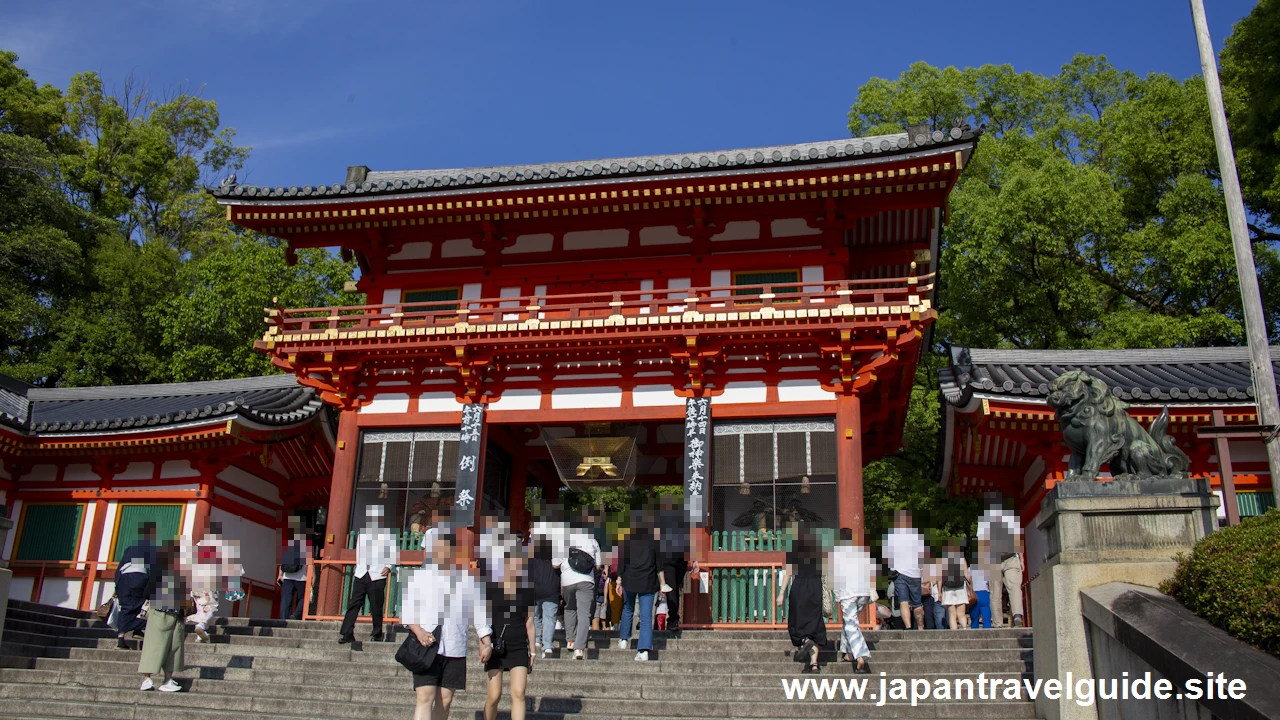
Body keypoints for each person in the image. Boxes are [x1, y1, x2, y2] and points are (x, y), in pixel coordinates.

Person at [402, 528, 494, 720]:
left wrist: (486, 642)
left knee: (445, 701)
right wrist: (418, 631)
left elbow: (478, 612)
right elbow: (408, 611)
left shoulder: (467, 579)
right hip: (426, 644)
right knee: (424, 697)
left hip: (454, 646)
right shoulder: (418, 577)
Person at [482, 534, 536, 720]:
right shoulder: (490, 588)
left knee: (519, 693)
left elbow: (530, 623)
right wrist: (484, 644)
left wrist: (533, 650)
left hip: (519, 645)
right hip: (496, 644)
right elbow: (482, 621)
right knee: (493, 695)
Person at [339, 505, 399, 644]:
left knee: (376, 605)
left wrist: (388, 567)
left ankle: (377, 633)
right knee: (354, 603)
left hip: (377, 573)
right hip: (361, 573)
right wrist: (359, 567)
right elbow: (359, 553)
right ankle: (347, 632)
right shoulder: (363, 534)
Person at [777, 525, 828, 674]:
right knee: (815, 623)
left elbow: (787, 573)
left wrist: (781, 593)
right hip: (815, 587)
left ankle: (805, 641)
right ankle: (814, 664)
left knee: (798, 620)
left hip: (800, 587)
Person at [138, 540, 187, 693]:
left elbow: (147, 592)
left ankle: (154, 679)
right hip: (170, 611)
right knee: (171, 646)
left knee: (161, 645)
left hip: (165, 610)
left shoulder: (159, 568)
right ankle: (157, 679)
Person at [185, 521, 242, 643]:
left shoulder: (197, 547)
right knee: (210, 607)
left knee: (200, 607)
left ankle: (201, 635)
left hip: (194, 582)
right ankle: (201, 626)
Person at [828, 528, 875, 674]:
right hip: (863, 591)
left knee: (851, 623)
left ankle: (860, 654)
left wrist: (836, 595)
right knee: (850, 621)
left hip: (848, 592)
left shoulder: (835, 554)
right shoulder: (860, 552)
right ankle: (846, 651)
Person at [554, 520, 601, 659]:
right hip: (586, 580)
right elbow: (598, 566)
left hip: (568, 580)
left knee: (570, 608)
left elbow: (555, 564)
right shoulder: (592, 541)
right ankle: (579, 648)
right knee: (584, 613)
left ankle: (570, 640)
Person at [616, 516, 660, 661]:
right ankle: (644, 649)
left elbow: (621, 562)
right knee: (646, 615)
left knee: (628, 608)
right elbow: (659, 565)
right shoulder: (654, 542)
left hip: (630, 578)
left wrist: (619, 579)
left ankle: (623, 639)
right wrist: (662, 583)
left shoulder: (627, 541)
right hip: (648, 580)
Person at [978, 504, 1025, 628]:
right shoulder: (1010, 518)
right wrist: (1021, 559)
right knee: (1014, 588)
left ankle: (998, 622)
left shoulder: (984, 521)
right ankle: (1017, 615)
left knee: (995, 592)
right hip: (1011, 557)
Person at [113, 521, 159, 649]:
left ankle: (121, 638)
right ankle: (137, 630)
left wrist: (116, 585)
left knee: (126, 607)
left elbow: (120, 567)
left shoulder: (130, 548)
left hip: (123, 578)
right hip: (139, 577)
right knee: (142, 604)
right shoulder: (151, 547)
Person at [881, 510, 926, 630]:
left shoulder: (891, 535)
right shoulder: (917, 535)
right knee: (917, 603)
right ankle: (921, 628)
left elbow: (887, 555)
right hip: (915, 572)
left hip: (900, 572)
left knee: (903, 601)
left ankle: (908, 627)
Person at [528, 535, 560, 658]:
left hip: (535, 590)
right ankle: (547, 645)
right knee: (549, 618)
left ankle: (536, 639)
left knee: (535, 616)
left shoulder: (532, 557)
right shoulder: (556, 557)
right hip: (551, 590)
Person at [278, 515, 312, 620]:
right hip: (301, 576)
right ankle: (296, 614)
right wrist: (312, 576)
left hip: (288, 575)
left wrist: (280, 574)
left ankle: (283, 620)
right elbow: (310, 561)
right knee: (303, 597)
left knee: (285, 600)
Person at [938, 542, 969, 631]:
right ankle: (964, 629)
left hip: (947, 589)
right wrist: (968, 588)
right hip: (960, 587)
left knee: (952, 614)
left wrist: (939, 591)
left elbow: (940, 577)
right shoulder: (961, 559)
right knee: (961, 613)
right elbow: (966, 575)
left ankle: (954, 632)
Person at [969, 564, 993, 629]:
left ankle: (974, 636)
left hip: (974, 595)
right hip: (985, 593)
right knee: (987, 618)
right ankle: (988, 635)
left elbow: (968, 581)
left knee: (974, 620)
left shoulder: (970, 569)